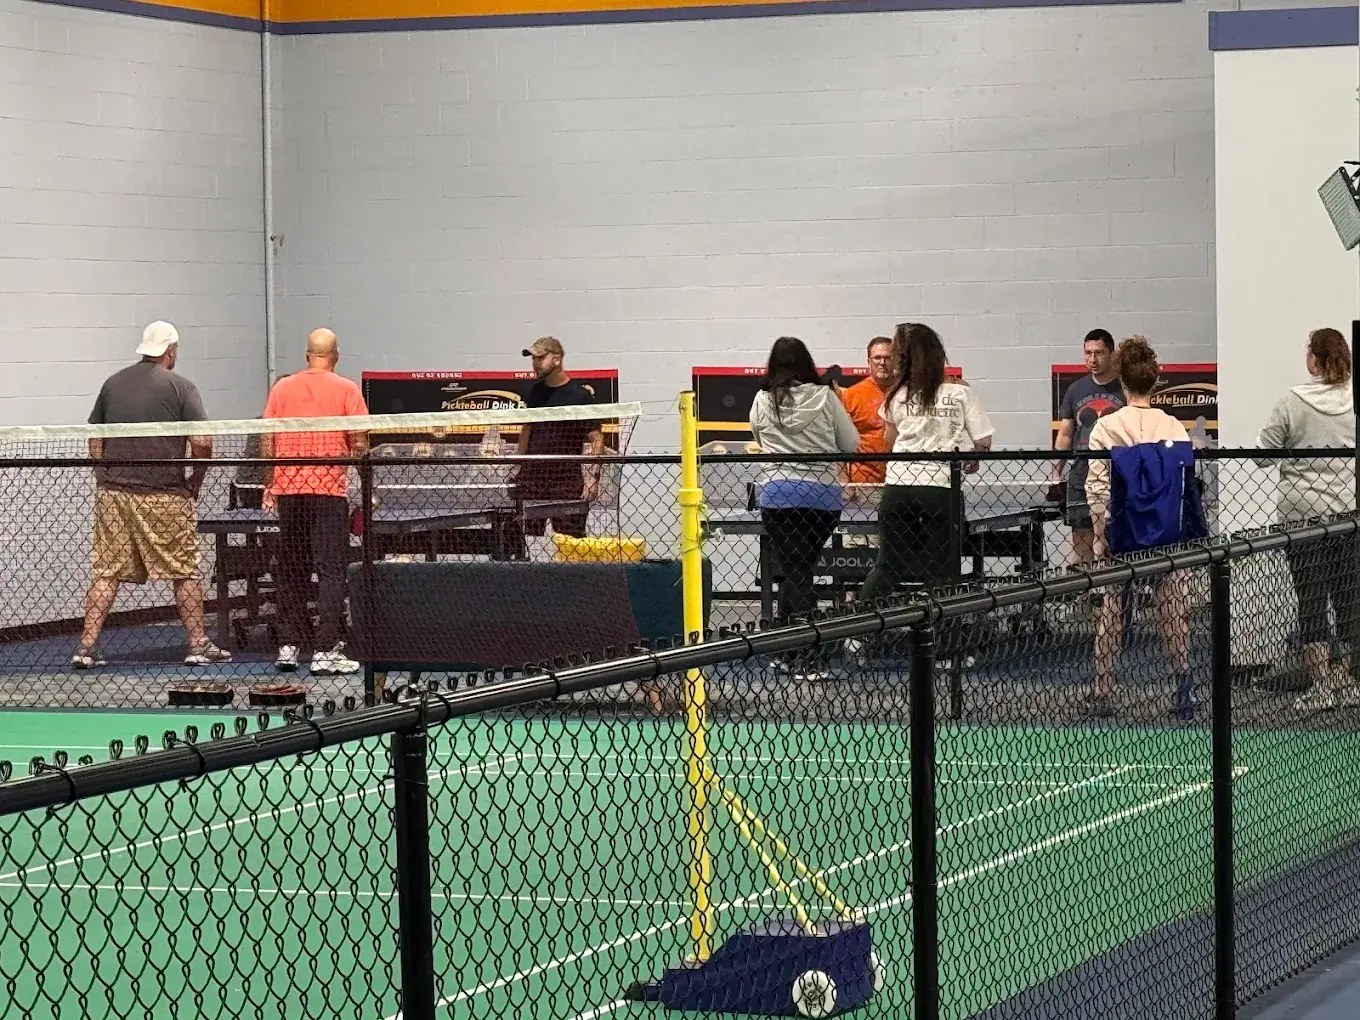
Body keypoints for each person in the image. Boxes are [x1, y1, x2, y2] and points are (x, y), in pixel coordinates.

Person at [74, 321, 230, 669]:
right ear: (171, 350)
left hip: (114, 496)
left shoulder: (112, 383)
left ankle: (86, 647)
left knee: (106, 571)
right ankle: (197, 644)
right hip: (165, 496)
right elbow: (203, 442)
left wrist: (103, 476)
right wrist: (195, 482)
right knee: (185, 569)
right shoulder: (182, 386)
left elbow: (94, 437)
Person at [1084, 336, 1196, 719]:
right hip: (1166, 531)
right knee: (1173, 607)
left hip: (1122, 530)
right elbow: (1184, 485)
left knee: (1111, 607)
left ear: (1121, 379)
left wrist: (1099, 537)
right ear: (1154, 379)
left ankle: (1103, 690)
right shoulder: (1174, 426)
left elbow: (1097, 487)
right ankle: (1183, 686)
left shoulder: (1106, 427)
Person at [854, 323, 994, 608]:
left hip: (898, 487)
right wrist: (973, 457)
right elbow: (984, 440)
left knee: (888, 564)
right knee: (942, 568)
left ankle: (860, 623)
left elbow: (889, 439)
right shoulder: (960, 392)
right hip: (939, 485)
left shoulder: (896, 394)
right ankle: (941, 632)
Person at [1258, 327, 1358, 709]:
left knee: (1311, 600)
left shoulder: (1291, 400)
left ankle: (1321, 687)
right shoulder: (1354, 399)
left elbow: (1263, 454)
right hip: (1346, 513)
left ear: (1313, 360)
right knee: (1349, 600)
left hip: (1301, 516)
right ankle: (1352, 682)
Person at [749, 336, 860, 676]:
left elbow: (758, 437)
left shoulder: (762, 399)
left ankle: (813, 658)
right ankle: (788, 652)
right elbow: (851, 443)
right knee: (798, 570)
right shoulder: (826, 397)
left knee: (797, 573)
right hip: (823, 498)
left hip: (779, 495)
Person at [260, 328, 368, 675]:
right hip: (328, 493)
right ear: (335, 355)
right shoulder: (347, 389)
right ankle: (325, 649)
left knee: (291, 568)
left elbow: (267, 440)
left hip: (289, 491)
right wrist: (357, 476)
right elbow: (360, 443)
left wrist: (270, 484)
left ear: (307, 355)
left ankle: (288, 646)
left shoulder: (282, 388)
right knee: (331, 571)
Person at [508, 337, 604, 557]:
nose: (535, 363)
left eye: (540, 358)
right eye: (533, 358)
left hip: (566, 484)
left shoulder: (580, 396)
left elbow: (596, 438)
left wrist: (594, 479)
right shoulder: (535, 392)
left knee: (572, 547)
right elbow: (527, 430)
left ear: (557, 359)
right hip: (531, 482)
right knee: (527, 548)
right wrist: (517, 466)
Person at [1053, 329, 1125, 567]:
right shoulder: (1075, 390)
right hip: (1081, 475)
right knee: (1081, 538)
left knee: (1113, 538)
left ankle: (1112, 587)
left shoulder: (1124, 389)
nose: (1092, 359)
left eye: (1099, 353)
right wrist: (1056, 473)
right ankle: (1083, 586)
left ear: (1111, 354)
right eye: (1088, 353)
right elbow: (1065, 433)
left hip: (1117, 473)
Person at [838, 337, 897, 495]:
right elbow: (838, 442)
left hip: (902, 481)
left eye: (888, 357)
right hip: (864, 483)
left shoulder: (907, 393)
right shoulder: (852, 395)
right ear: (868, 361)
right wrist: (845, 482)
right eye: (877, 357)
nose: (882, 362)